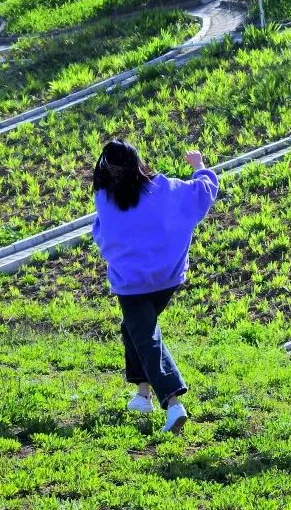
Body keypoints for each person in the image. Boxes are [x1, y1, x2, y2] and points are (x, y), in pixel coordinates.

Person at [92, 139, 219, 434]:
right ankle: (142, 396)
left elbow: (101, 232)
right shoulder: (163, 188)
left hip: (131, 284)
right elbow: (203, 191)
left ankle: (173, 404)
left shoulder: (105, 197)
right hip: (166, 280)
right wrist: (199, 166)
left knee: (146, 338)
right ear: (137, 162)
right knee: (134, 330)